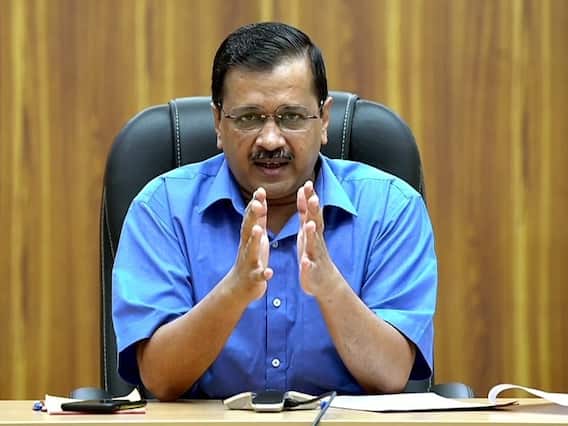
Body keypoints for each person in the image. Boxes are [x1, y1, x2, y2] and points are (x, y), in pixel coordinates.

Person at [112, 22, 437, 402]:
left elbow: (391, 375)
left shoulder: (391, 208)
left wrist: (329, 285)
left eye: (292, 117)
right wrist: (235, 289)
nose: (270, 140)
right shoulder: (162, 208)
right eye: (248, 118)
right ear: (218, 122)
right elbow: (159, 379)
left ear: (324, 120)